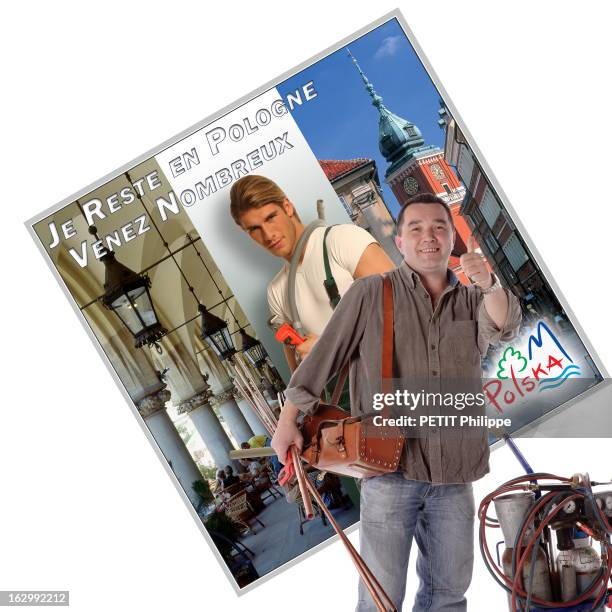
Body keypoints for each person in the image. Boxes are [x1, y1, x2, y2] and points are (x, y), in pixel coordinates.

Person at [271, 193, 522, 611]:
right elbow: (322, 358)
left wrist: (489, 283)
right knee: (380, 602)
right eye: (416, 229)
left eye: (440, 227)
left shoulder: (473, 298)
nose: (429, 237)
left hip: (455, 473)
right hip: (390, 470)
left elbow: (505, 324)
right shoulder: (371, 293)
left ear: (452, 238)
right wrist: (287, 421)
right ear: (399, 242)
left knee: (448, 596)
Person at [230, 174, 395, 371]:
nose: (268, 234)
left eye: (271, 217)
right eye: (254, 229)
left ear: (287, 207)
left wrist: (329, 348)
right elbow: (300, 382)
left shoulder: (343, 240)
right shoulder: (276, 291)